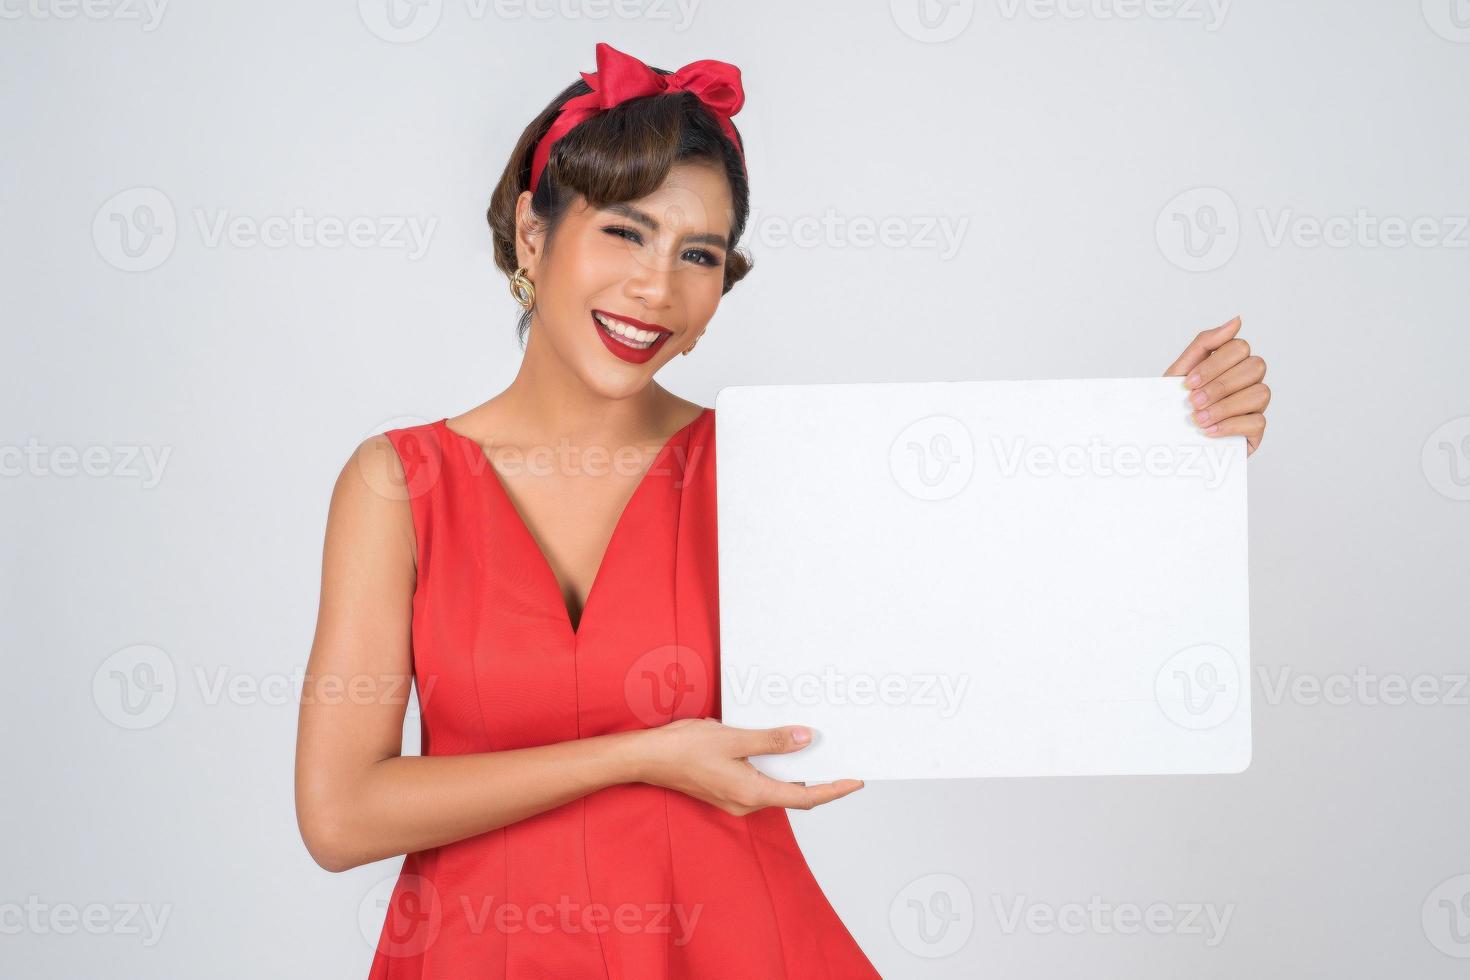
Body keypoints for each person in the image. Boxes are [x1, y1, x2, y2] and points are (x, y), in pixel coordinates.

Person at [293, 41, 1271, 979]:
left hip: (731, 945)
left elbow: (1012, 578)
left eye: (700, 254)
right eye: (626, 231)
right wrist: (643, 754)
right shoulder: (396, 483)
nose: (656, 285)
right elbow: (340, 813)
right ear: (534, 234)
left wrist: (1175, 448)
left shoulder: (770, 468)